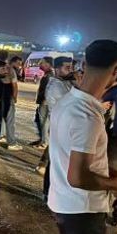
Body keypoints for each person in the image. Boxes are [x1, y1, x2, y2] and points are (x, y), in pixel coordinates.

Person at [46, 40, 117, 234]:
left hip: (64, 203)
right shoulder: (87, 115)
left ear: (84, 64)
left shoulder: (69, 103)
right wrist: (116, 185)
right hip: (83, 210)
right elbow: (78, 176)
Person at [38, 56, 76, 187]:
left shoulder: (66, 82)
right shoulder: (56, 85)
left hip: (66, 124)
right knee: (57, 161)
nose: (71, 70)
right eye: (67, 67)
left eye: (71, 67)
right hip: (62, 124)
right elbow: (75, 102)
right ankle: (49, 191)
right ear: (57, 69)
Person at [0, 56, 23, 151]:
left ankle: (0, 137)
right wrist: (14, 98)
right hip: (7, 98)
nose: (19, 66)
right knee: (10, 121)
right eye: (18, 63)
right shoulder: (10, 70)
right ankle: (11, 143)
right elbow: (14, 85)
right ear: (12, 62)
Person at [31, 56, 55, 148]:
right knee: (40, 121)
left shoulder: (50, 75)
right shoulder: (47, 74)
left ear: (48, 64)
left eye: (42, 62)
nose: (40, 64)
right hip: (43, 101)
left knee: (44, 122)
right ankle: (42, 139)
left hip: (46, 102)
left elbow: (50, 89)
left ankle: (44, 142)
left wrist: (45, 100)